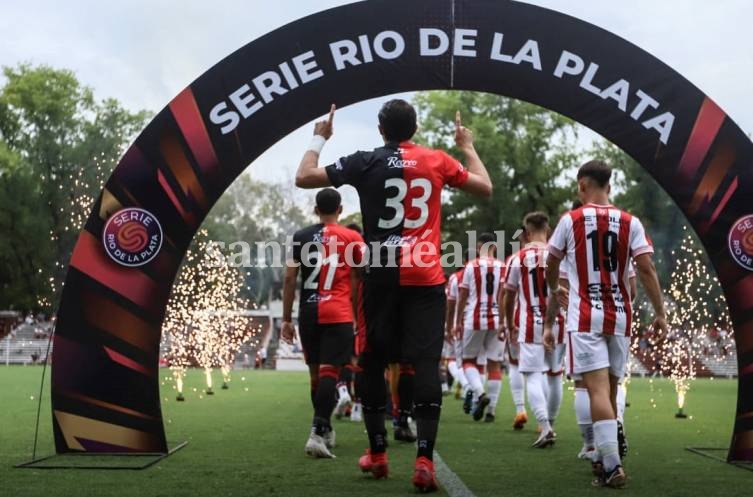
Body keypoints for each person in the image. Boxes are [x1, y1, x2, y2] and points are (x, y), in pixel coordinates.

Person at [295, 99, 492, 491]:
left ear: (381, 130)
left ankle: (379, 454)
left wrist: (320, 137)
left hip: (381, 273)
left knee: (371, 360)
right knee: (423, 362)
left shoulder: (366, 160)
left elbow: (304, 177)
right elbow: (484, 187)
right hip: (425, 274)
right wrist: (466, 144)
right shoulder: (436, 160)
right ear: (415, 129)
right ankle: (423, 460)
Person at [543, 160, 667, 488]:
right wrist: (660, 312)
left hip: (585, 315)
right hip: (620, 316)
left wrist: (555, 286)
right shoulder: (631, 222)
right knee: (611, 390)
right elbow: (645, 269)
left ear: (583, 185)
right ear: (609, 186)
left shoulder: (571, 220)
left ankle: (611, 464)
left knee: (595, 389)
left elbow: (551, 261)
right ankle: (603, 455)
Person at [281, 188, 365, 459]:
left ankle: (325, 428)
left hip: (309, 312)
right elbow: (358, 279)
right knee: (331, 373)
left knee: (316, 376)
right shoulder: (353, 238)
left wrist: (285, 319)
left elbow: (290, 279)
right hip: (338, 312)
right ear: (340, 210)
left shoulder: (299, 237)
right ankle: (317, 433)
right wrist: (355, 313)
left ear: (316, 210)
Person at [503, 212, 564, 447]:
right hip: (557, 321)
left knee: (533, 376)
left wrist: (509, 324)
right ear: (548, 231)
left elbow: (509, 295)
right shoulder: (558, 256)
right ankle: (550, 422)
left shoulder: (519, 258)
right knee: (555, 374)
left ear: (527, 233)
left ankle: (545, 427)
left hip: (530, 324)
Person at [454, 233, 506, 423]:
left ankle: (480, 393)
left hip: (474, 318)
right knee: (494, 364)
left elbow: (463, 295)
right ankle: (491, 410)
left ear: (479, 246)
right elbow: (506, 295)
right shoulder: (502, 266)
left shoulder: (471, 266)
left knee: (468, 360)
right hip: (497, 318)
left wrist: (457, 321)